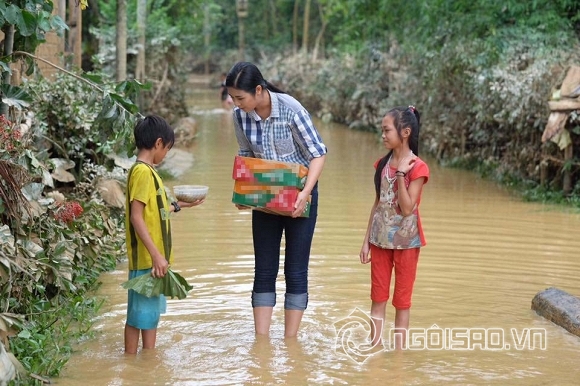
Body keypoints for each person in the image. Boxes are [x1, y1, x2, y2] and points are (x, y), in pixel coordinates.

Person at [225, 61, 327, 338]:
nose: (235, 103)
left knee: (296, 270)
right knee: (264, 269)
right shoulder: (240, 116)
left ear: (258, 90)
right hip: (265, 196)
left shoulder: (291, 110)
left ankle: (290, 341)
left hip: (300, 195)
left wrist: (305, 194)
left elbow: (318, 153)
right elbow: (246, 153)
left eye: (240, 97)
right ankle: (262, 342)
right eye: (233, 97)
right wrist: (243, 192)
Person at [124, 115, 204, 354]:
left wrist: (181, 205)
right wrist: (157, 256)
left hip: (154, 259)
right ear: (159, 143)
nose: (166, 154)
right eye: (167, 149)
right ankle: (135, 362)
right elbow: (136, 216)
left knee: (148, 316)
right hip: (148, 260)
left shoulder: (148, 172)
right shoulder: (142, 173)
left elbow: (155, 212)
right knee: (140, 316)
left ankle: (146, 364)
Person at [359, 106, 429, 350]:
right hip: (379, 242)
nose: (383, 135)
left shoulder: (418, 167)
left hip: (406, 244)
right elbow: (378, 203)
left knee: (402, 302)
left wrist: (400, 174)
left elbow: (408, 208)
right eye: (382, 131)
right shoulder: (381, 164)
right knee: (377, 299)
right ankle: (374, 350)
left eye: (387, 130)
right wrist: (366, 240)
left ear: (405, 132)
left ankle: (399, 357)